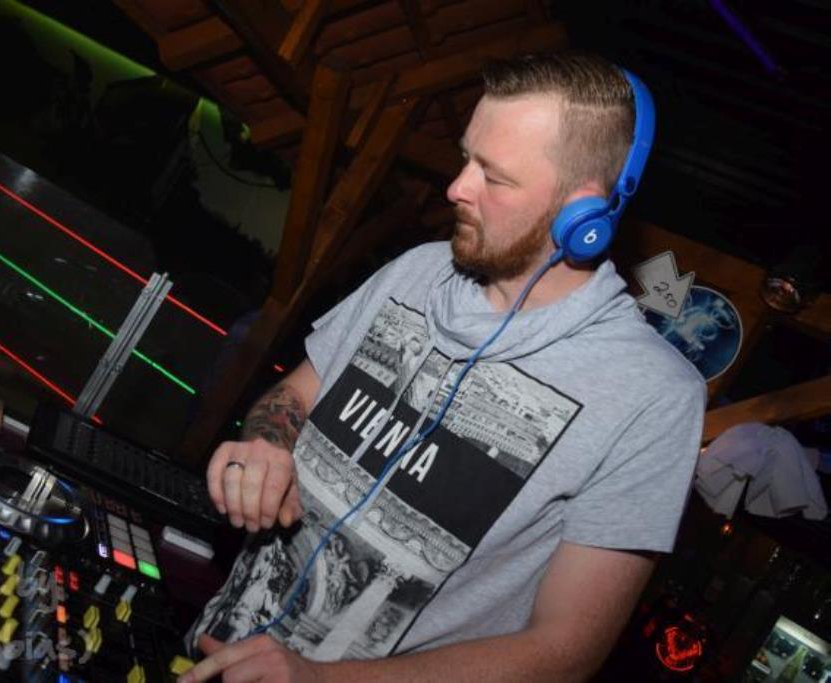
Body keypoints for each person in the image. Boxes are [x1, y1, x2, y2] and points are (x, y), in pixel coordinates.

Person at [179, 51, 706, 682]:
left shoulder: (654, 396)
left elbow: (566, 652)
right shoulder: (418, 270)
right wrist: (268, 444)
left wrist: (318, 679)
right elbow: (296, 392)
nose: (457, 187)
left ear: (582, 216)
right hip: (215, 650)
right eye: (466, 158)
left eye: (494, 176)